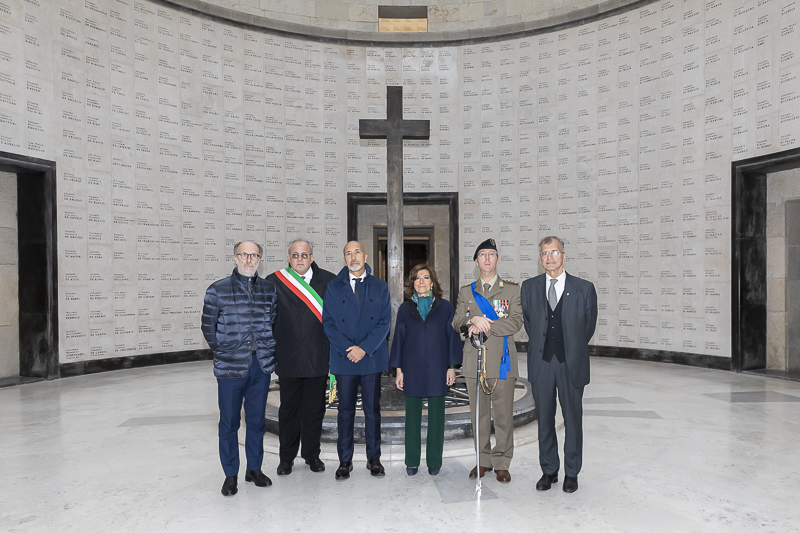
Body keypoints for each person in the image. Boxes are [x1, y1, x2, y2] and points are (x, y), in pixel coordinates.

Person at [520, 236, 598, 494]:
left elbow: (587, 327)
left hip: (571, 364)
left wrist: (571, 349)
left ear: (564, 256)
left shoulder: (584, 289)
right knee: (544, 420)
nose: (549, 257)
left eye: (554, 252)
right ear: (540, 258)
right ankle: (549, 470)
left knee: (573, 420)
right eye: (544, 253)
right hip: (541, 363)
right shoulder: (529, 287)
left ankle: (572, 473)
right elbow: (531, 325)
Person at [201, 241, 277, 497]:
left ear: (259, 259)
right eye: (244, 255)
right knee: (229, 423)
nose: (248, 260)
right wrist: (222, 352)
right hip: (230, 368)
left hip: (260, 367)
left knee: (256, 422)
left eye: (253, 255)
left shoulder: (269, 290)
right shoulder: (217, 290)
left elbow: (272, 323)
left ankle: (253, 469)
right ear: (235, 258)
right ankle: (230, 474)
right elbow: (207, 326)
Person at [452, 238, 523, 483]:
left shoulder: (512, 289)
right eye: (482, 254)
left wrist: (486, 323)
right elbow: (456, 321)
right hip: (474, 362)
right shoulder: (466, 291)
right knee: (478, 415)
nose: (487, 259)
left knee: (503, 415)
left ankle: (502, 462)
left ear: (497, 260)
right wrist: (471, 320)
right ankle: (483, 461)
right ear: (476, 261)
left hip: (502, 360)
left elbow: (516, 322)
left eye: (491, 254)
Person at [321, 241, 391, 480]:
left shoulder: (380, 286)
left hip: (371, 358)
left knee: (372, 411)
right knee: (345, 411)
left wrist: (364, 348)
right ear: (344, 259)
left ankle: (374, 459)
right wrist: (348, 349)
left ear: (366, 256)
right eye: (348, 253)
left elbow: (384, 322)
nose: (353, 257)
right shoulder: (332, 287)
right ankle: (344, 461)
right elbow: (328, 323)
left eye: (357, 252)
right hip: (344, 358)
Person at [266, 239, 335, 476]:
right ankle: (286, 458)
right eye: (295, 255)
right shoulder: (274, 281)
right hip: (288, 359)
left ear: (312, 257)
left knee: (315, 411)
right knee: (288, 411)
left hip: (318, 358)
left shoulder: (329, 280)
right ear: (288, 257)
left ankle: (312, 456)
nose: (300, 260)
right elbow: (267, 321)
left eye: (304, 255)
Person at [389, 264, 462, 476]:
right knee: (412, 418)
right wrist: (399, 370)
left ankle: (434, 461)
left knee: (436, 418)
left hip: (438, 368)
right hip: (411, 368)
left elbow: (452, 339)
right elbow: (399, 339)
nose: (421, 281)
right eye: (417, 278)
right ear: (412, 284)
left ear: (433, 282)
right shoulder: (405, 309)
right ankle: (412, 461)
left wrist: (452, 367)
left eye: (426, 277)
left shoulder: (445, 307)